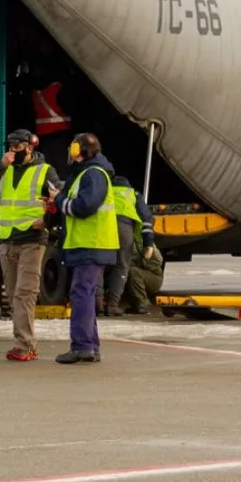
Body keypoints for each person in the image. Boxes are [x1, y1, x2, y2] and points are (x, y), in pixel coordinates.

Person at [0, 128, 65, 361]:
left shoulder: (45, 171)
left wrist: (46, 221)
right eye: (10, 146)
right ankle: (26, 342)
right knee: (15, 293)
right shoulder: (4, 171)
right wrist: (0, 165)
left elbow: (61, 201)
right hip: (7, 240)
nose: (12, 151)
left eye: (16, 147)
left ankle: (24, 344)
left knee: (25, 293)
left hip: (32, 241)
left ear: (29, 147)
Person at [54, 133, 119, 365]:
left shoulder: (93, 174)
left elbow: (84, 207)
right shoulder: (91, 173)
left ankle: (82, 346)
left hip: (91, 243)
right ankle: (90, 346)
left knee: (81, 294)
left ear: (76, 150)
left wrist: (59, 201)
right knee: (86, 294)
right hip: (90, 243)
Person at [101, 173, 154, 317]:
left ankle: (97, 305)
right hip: (124, 227)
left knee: (99, 264)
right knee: (121, 265)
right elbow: (146, 219)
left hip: (103, 227)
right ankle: (112, 305)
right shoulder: (133, 193)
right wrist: (148, 242)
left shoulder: (105, 191)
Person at [124, 221, 164, 313]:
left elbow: (157, 260)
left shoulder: (141, 241)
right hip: (138, 274)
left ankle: (143, 304)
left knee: (133, 272)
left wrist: (139, 261)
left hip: (153, 277)